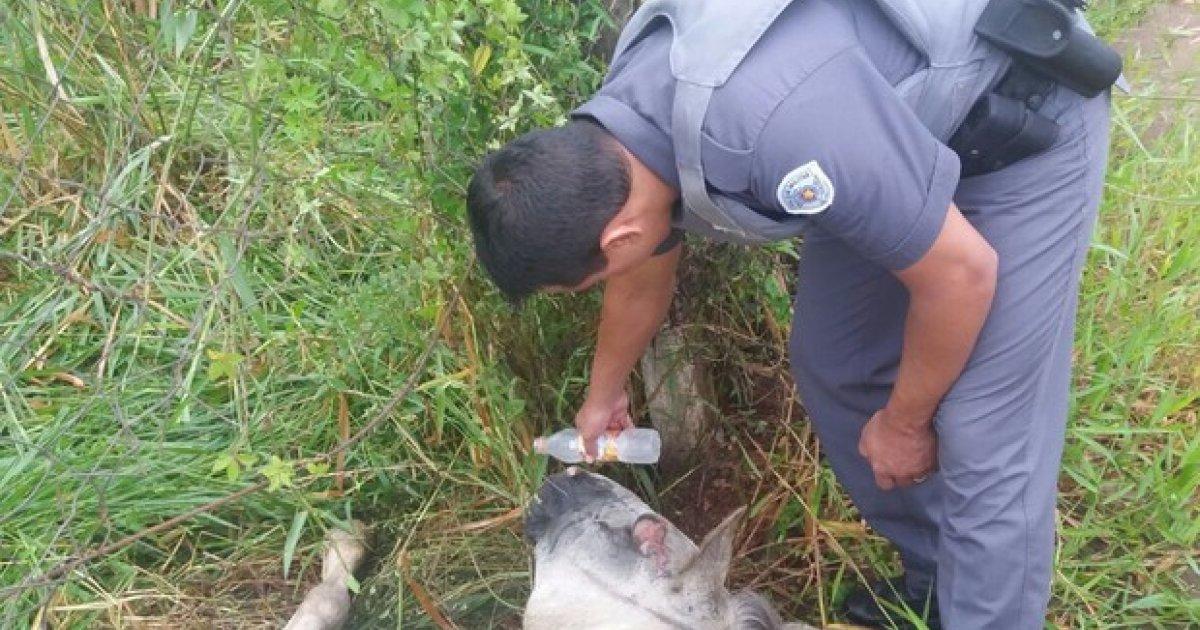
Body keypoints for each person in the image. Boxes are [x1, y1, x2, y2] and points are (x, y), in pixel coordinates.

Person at [465, 0, 1112, 627]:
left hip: (1015, 124)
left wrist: (907, 423)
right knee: (837, 362)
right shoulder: (614, 145)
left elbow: (960, 275)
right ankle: (940, 579)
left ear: (615, 239)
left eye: (585, 281)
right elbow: (643, 270)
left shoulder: (768, 129)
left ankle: (986, 612)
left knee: (983, 431)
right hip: (881, 144)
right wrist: (603, 395)